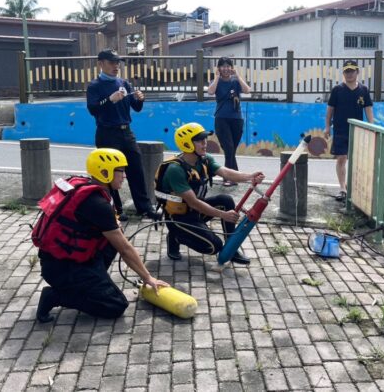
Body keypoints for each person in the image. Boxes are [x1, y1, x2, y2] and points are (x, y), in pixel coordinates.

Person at [33, 148, 169, 322]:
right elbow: (125, 249)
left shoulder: (91, 187)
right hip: (62, 269)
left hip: (64, 261)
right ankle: (54, 296)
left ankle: (91, 283)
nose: (124, 176)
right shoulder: (96, 203)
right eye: (120, 171)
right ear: (105, 173)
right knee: (116, 305)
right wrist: (148, 277)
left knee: (113, 237)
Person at [155, 122, 264, 265]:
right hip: (178, 217)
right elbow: (194, 202)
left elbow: (225, 172)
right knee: (214, 247)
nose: (205, 143)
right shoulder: (175, 170)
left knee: (226, 200)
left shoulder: (204, 159)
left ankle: (232, 250)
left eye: (205, 139)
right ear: (187, 144)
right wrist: (223, 215)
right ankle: (175, 236)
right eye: (200, 140)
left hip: (195, 211)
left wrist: (250, 177)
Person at [86, 49, 159, 221]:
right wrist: (110, 99)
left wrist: (141, 98)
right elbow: (93, 109)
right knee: (110, 173)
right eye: (112, 62)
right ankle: (115, 209)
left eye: (117, 62)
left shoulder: (124, 83)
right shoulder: (95, 85)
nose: (116, 66)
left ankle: (145, 207)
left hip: (126, 132)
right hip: (107, 133)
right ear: (101, 63)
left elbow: (137, 107)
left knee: (136, 170)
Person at [324, 60, 374, 202]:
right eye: (347, 71)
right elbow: (330, 111)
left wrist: (372, 126)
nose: (349, 74)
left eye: (352, 71)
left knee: (357, 160)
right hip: (340, 130)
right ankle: (342, 188)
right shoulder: (337, 90)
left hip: (358, 131)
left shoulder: (363, 90)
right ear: (343, 73)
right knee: (341, 158)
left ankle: (356, 188)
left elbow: (368, 109)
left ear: (357, 72)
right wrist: (327, 126)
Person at [208, 57, 251, 187]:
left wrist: (238, 76)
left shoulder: (235, 81)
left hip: (237, 119)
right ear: (219, 68)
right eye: (223, 66)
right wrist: (216, 77)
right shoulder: (216, 81)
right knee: (229, 148)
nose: (225, 69)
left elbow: (247, 90)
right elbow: (210, 91)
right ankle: (229, 178)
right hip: (221, 119)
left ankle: (233, 177)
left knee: (231, 151)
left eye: (228, 66)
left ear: (231, 68)